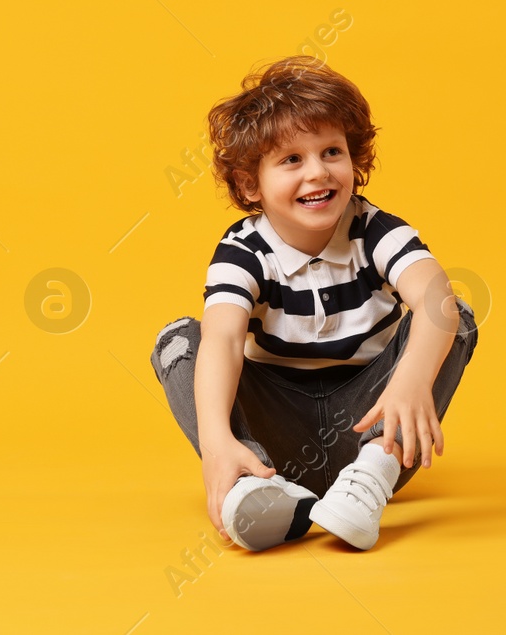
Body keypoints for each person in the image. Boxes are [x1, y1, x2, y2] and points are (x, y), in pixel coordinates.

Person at [149, 56, 478, 551]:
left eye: (331, 151)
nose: (318, 173)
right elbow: (222, 337)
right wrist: (215, 441)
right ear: (249, 184)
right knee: (178, 340)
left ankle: (368, 482)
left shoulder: (374, 229)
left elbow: (434, 295)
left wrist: (410, 382)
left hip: (374, 423)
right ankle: (254, 483)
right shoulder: (244, 249)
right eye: (291, 160)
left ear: (355, 159)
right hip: (276, 430)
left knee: (456, 314)